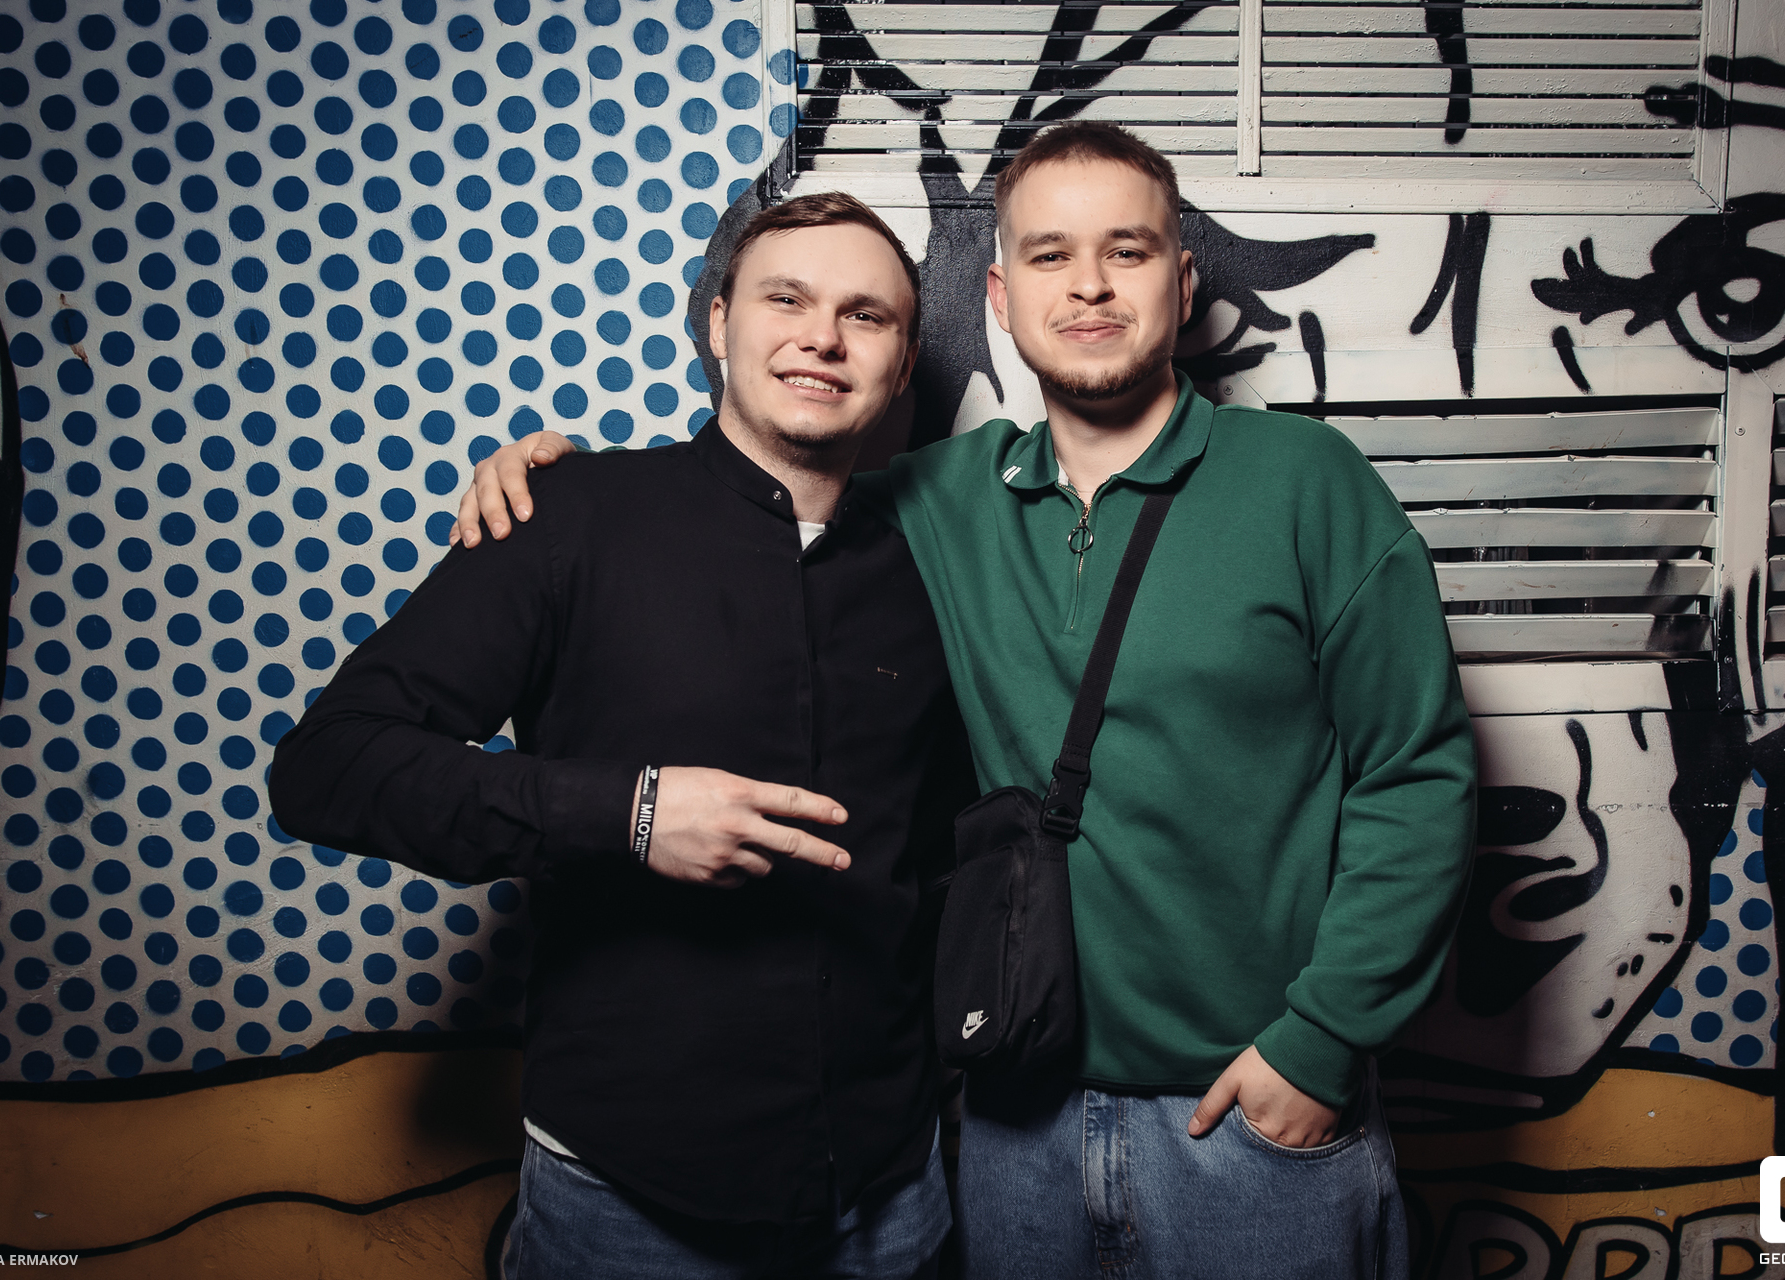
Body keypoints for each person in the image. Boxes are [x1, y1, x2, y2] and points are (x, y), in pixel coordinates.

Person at [458, 122, 1477, 1279]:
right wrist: (558, 481)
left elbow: (1419, 773)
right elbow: (759, 492)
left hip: (1247, 1114)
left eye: (1127, 250)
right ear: (998, 296)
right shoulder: (934, 499)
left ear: (1184, 283)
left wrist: (1322, 1043)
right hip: (1010, 1119)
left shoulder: (1306, 483)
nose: (1088, 284)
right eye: (1049, 254)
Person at [269, 192, 974, 1280]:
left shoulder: (942, 559)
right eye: (786, 299)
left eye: (864, 315)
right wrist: (629, 811)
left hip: (889, 1194)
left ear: (904, 359)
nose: (823, 338)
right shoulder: (567, 515)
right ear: (718, 322)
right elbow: (328, 766)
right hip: (625, 1202)